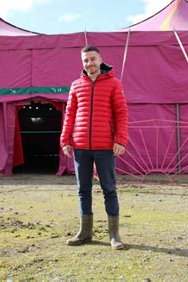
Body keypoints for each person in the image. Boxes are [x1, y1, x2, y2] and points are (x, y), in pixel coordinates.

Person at [60, 45, 128, 250]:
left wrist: (120, 140)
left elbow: (122, 113)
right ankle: (85, 232)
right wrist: (65, 139)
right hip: (80, 147)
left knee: (109, 189)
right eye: (85, 61)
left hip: (105, 146)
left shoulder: (114, 84)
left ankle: (114, 235)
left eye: (92, 59)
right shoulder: (76, 86)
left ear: (100, 60)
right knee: (83, 190)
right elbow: (69, 114)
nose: (89, 64)